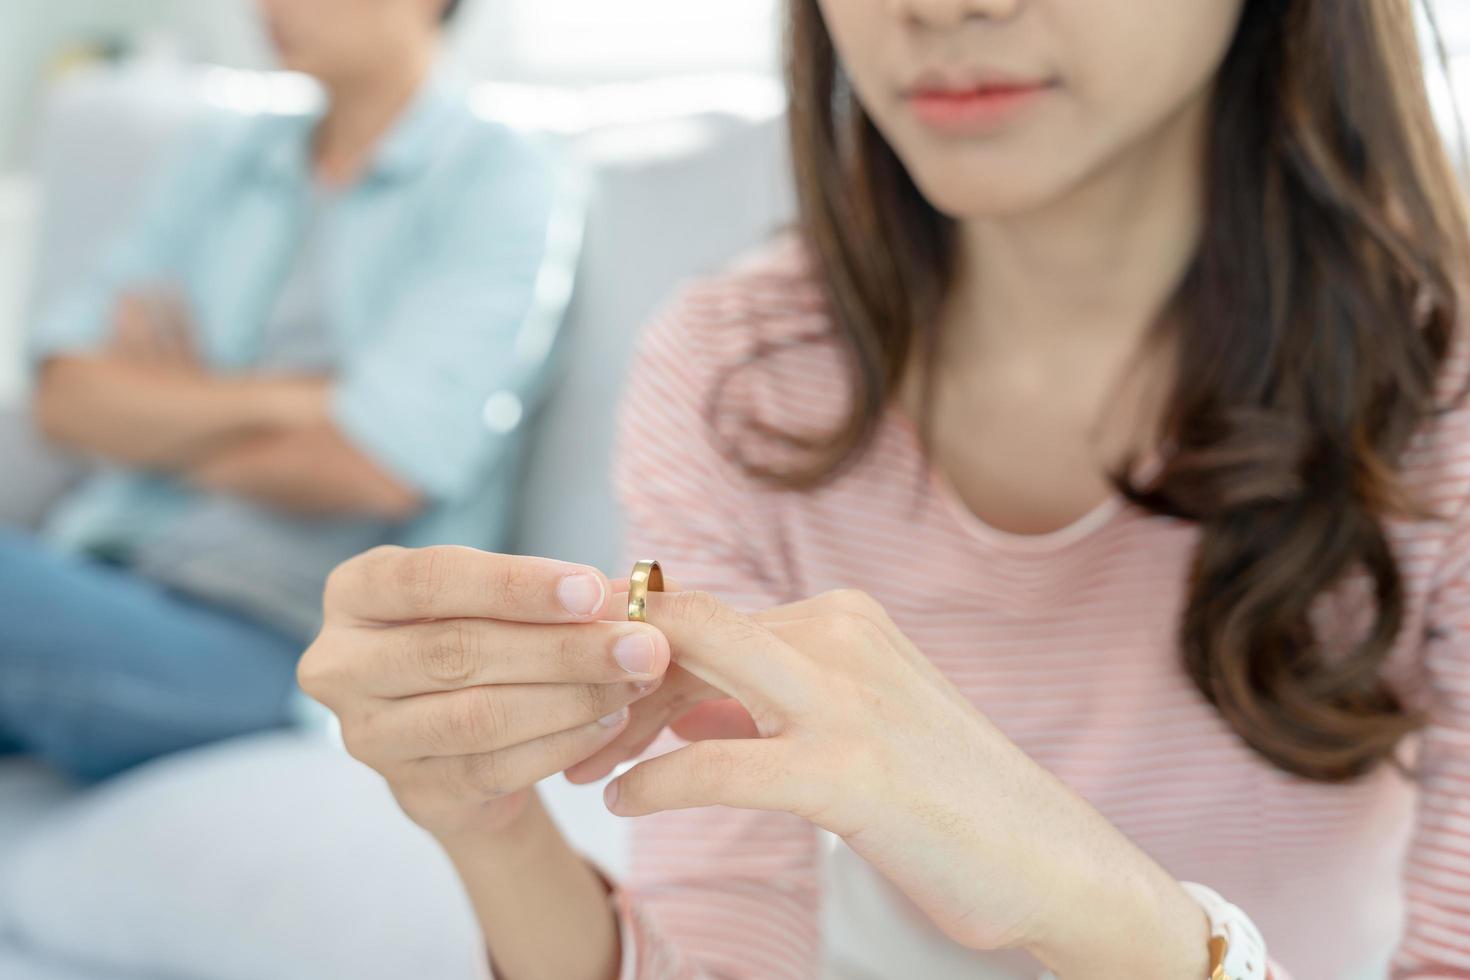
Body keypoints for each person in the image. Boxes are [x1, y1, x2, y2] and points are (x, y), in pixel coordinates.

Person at [297, 0, 1470, 977]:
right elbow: (716, 945)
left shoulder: (1444, 393)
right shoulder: (733, 373)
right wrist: (489, 826)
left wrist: (1093, 902)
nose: (940, 9)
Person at [0, 0, 556, 783]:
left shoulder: (500, 176)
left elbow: (375, 467)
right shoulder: (223, 154)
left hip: (290, 642)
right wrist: (293, 400)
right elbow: (65, 395)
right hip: (106, 575)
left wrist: (161, 417)